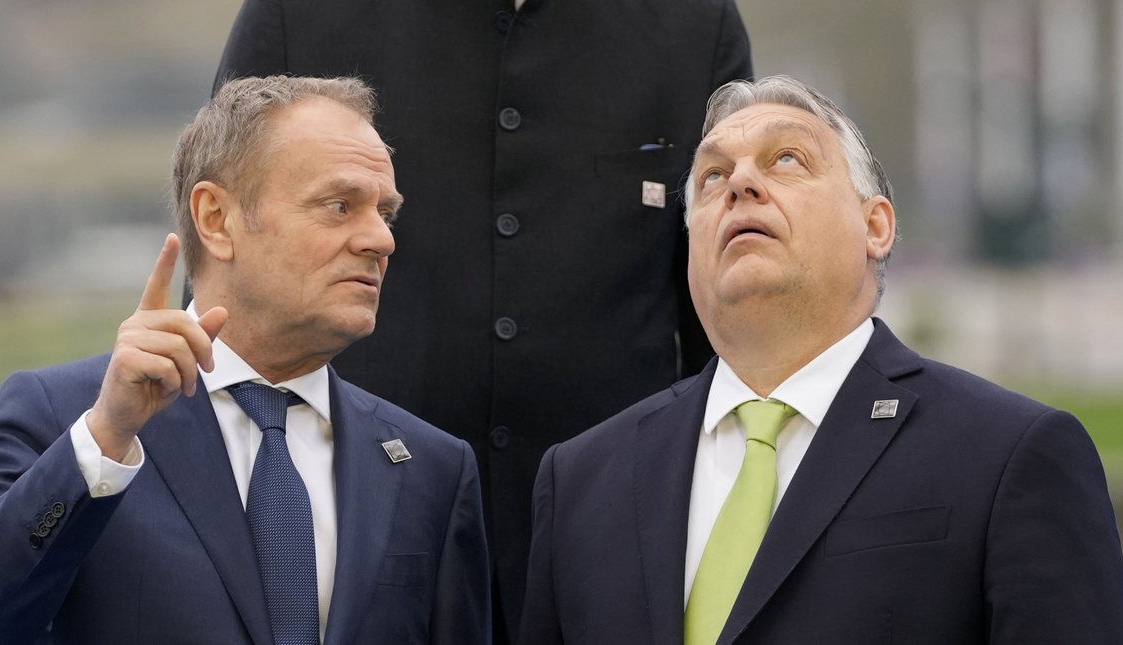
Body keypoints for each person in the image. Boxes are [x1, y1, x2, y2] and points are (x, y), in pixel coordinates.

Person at [517, 75, 1123, 644]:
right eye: (711, 176)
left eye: (787, 159)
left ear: (876, 226)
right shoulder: (581, 482)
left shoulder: (1010, 456)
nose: (739, 184)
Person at [212, 2, 753, 638]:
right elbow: (226, 266)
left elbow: (731, 303)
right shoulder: (295, 13)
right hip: (366, 525)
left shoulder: (696, 23)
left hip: (617, 533)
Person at [0, 76, 490, 645]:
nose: (381, 240)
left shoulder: (431, 467)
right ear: (216, 219)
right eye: (340, 206)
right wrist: (106, 438)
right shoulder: (63, 418)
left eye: (385, 213)